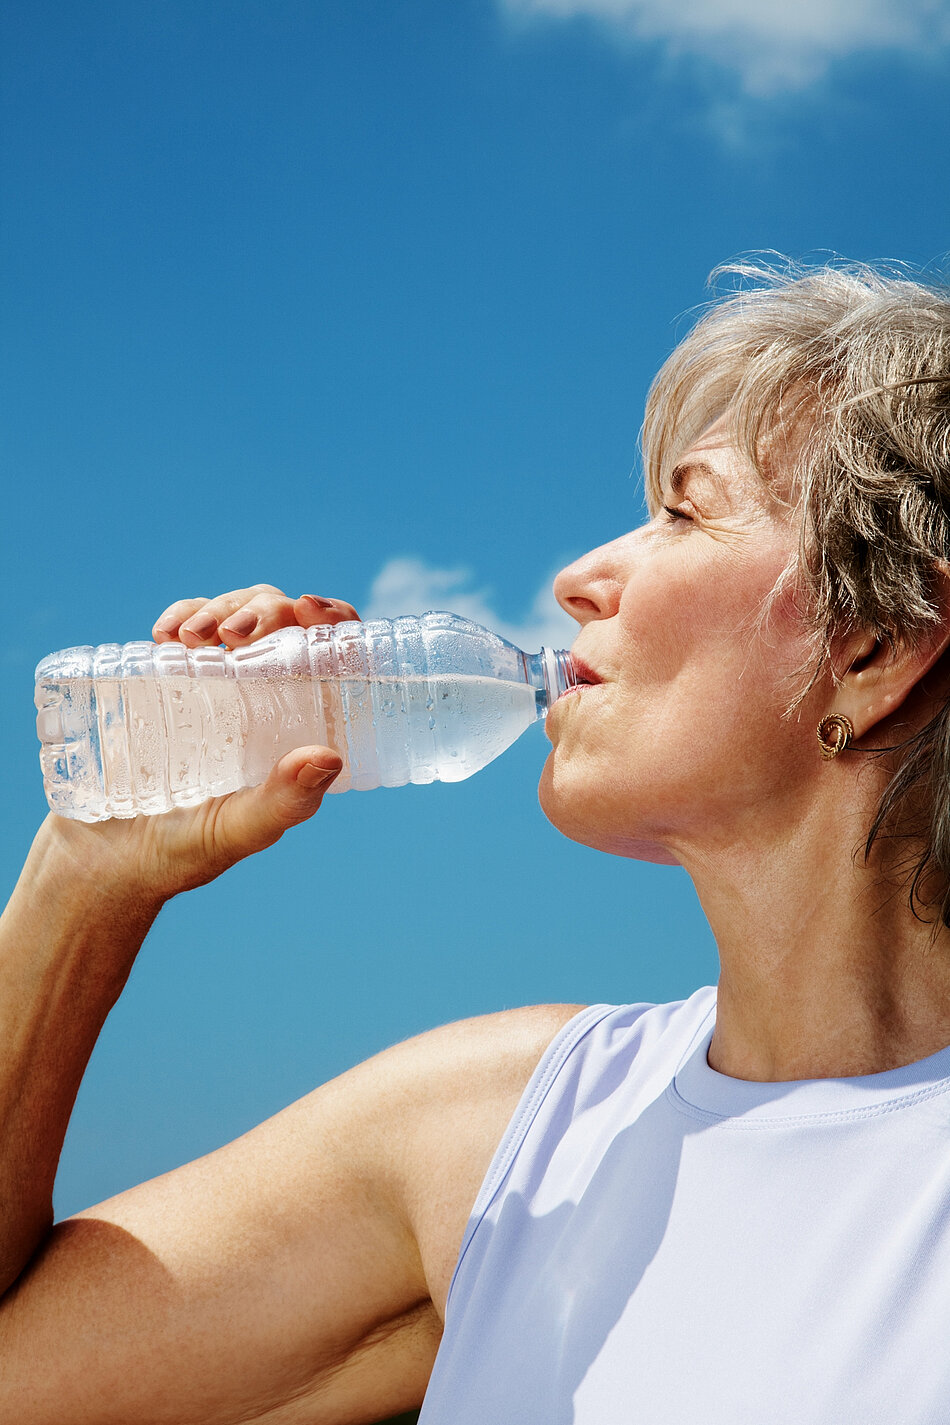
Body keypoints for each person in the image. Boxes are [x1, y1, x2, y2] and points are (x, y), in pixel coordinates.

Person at [4, 259, 950, 1424]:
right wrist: (83, 882)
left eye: (681, 512)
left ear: (874, 645)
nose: (576, 580)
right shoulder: (497, 1134)